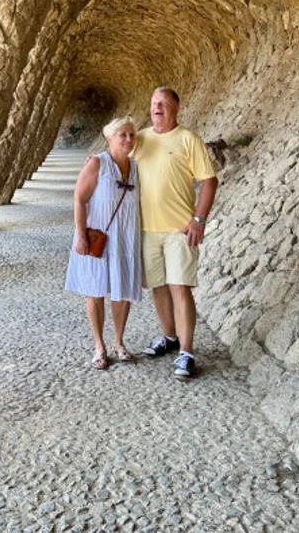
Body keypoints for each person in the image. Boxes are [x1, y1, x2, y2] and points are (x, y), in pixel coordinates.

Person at [134, 87, 217, 379]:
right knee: (158, 287)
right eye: (154, 103)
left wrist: (199, 219)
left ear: (176, 109)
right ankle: (169, 337)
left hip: (180, 230)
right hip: (147, 228)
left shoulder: (188, 140)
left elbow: (209, 181)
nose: (158, 108)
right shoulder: (140, 139)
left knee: (179, 287)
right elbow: (116, 157)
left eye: (164, 104)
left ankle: (187, 351)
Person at [66, 116, 142, 370]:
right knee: (95, 290)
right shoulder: (97, 163)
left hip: (126, 238)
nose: (129, 139)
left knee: (122, 293)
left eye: (132, 135)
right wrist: (80, 234)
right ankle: (100, 346)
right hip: (98, 236)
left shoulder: (136, 168)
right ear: (109, 137)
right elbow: (79, 198)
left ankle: (119, 343)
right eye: (123, 134)